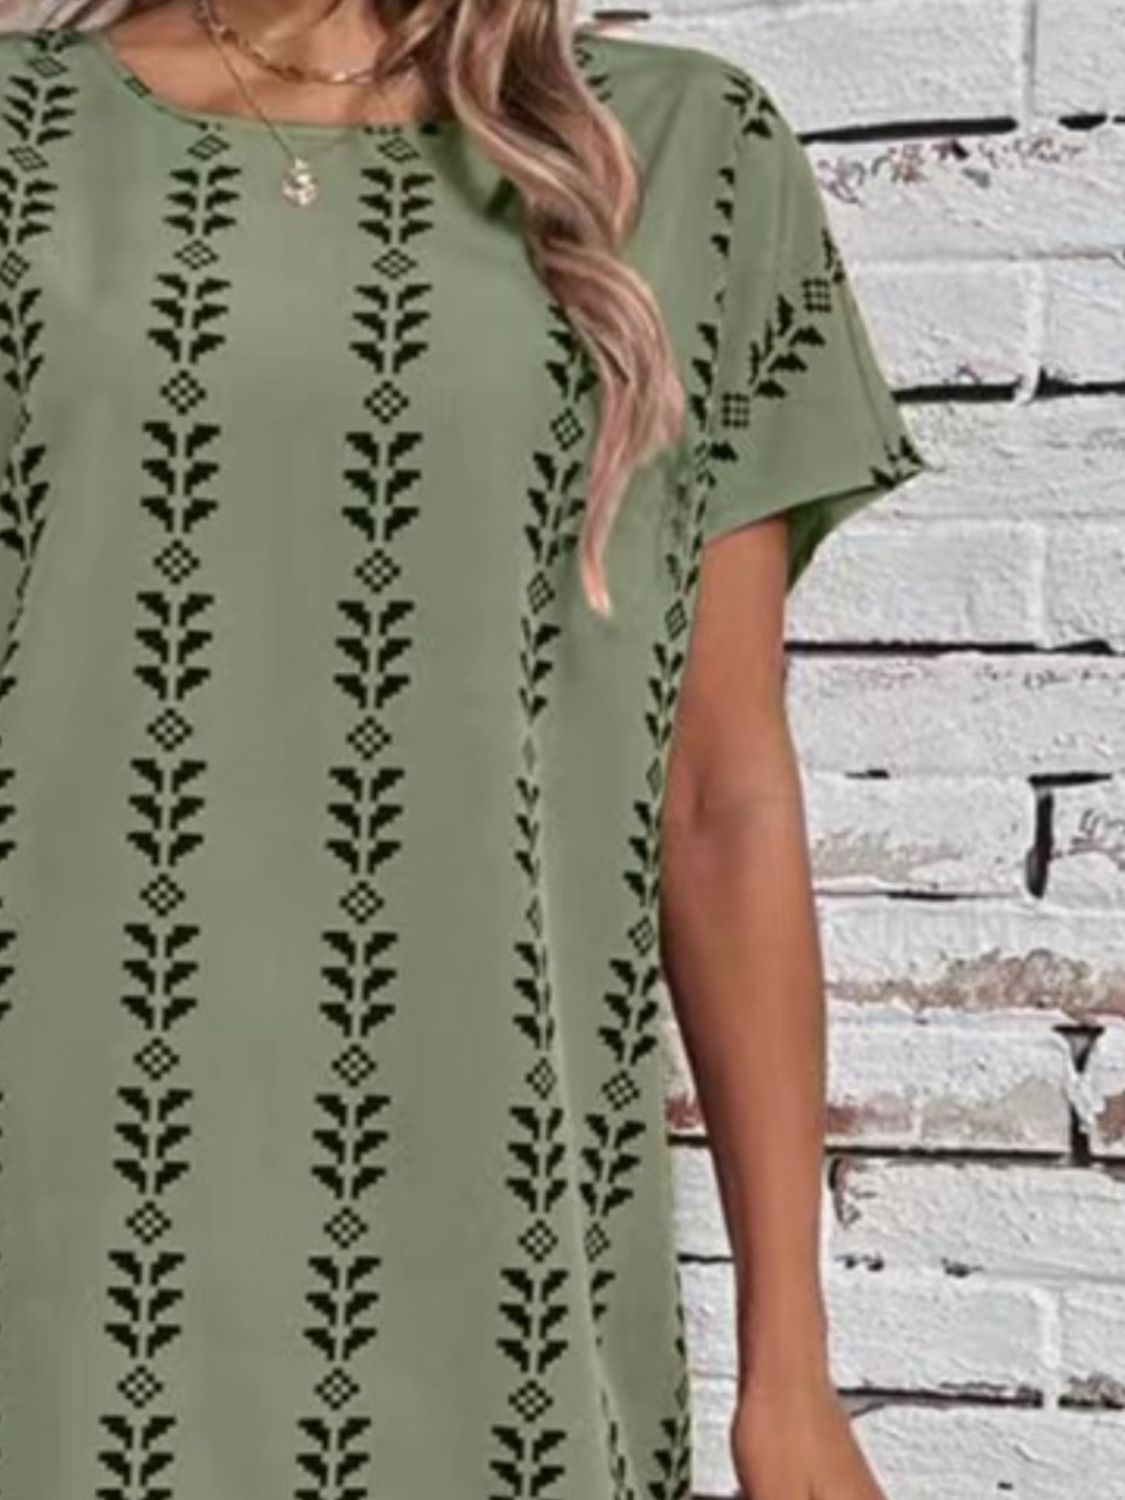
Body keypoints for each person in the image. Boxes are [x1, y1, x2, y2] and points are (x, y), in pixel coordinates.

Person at [0, 1, 929, 1497]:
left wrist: (790, 1374)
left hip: (499, 1264)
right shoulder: (24, 138)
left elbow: (720, 795)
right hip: (50, 1235)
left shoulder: (680, 149)